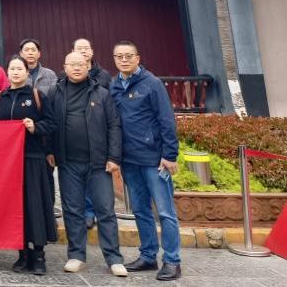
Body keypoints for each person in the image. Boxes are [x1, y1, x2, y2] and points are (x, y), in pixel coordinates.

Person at [38, 52, 126, 277]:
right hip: (68, 163)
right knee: (73, 210)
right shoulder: (55, 92)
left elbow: (114, 126)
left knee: (105, 210)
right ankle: (76, 255)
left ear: (88, 66)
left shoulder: (101, 93)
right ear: (64, 67)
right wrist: (50, 151)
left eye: (81, 64)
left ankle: (114, 258)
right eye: (72, 64)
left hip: (99, 163)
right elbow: (49, 124)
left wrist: (114, 157)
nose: (77, 68)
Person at [109, 41, 182, 282]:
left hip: (154, 160)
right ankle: (148, 255)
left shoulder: (152, 84)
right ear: (114, 59)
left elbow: (166, 120)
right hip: (130, 160)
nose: (124, 60)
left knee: (165, 212)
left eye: (128, 56)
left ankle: (172, 261)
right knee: (140, 210)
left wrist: (169, 155)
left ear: (138, 58)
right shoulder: (114, 85)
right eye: (119, 56)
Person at [0, 56, 57, 275]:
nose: (15, 72)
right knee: (15, 207)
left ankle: (38, 254)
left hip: (32, 158)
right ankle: (22, 253)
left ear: (27, 73)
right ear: (7, 72)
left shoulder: (37, 96)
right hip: (8, 163)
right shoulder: (0, 98)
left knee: (35, 206)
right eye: (12, 68)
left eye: (19, 68)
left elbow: (52, 123)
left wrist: (35, 127)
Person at [73, 38, 110, 229]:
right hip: (77, 136)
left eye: (86, 48)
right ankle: (86, 212)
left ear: (92, 52)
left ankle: (98, 212)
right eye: (79, 48)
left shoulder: (103, 76)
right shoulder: (66, 76)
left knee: (96, 178)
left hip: (98, 134)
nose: (83, 51)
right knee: (80, 179)